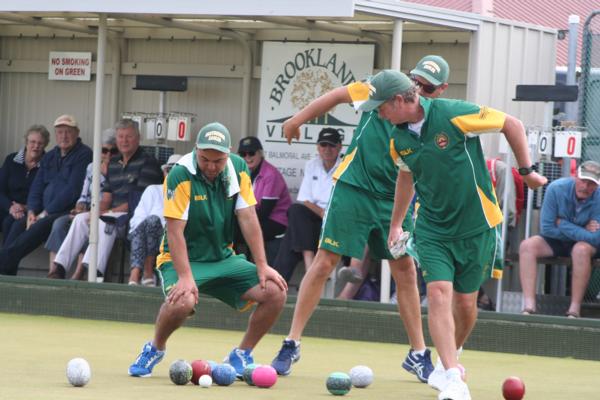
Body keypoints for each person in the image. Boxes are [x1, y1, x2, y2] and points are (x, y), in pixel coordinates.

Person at [360, 69, 547, 400]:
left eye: (381, 107)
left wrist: (527, 171)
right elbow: (406, 177)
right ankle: (451, 376)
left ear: (401, 100)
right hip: (432, 228)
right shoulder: (398, 138)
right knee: (438, 294)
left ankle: (453, 356)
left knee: (465, 302)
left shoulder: (454, 114)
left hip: (477, 225)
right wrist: (396, 223)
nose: (378, 113)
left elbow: (511, 124)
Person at [270, 67, 436, 383]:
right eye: (420, 79)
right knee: (324, 263)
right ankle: (291, 343)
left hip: (393, 199)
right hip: (353, 189)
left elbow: (416, 172)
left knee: (405, 270)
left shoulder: (433, 119)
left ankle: (418, 354)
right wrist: (296, 120)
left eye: (432, 84)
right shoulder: (378, 90)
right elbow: (335, 95)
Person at [128, 122, 287, 379]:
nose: (212, 167)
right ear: (196, 150)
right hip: (182, 260)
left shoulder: (238, 168)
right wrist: (185, 277)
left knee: (276, 291)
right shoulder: (179, 174)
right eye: (205, 159)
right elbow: (174, 230)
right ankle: (155, 348)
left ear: (229, 153)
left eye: (218, 160)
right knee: (183, 302)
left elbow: (247, 217)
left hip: (223, 258)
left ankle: (242, 354)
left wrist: (262, 265)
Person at [337, 55, 451, 301]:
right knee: (355, 247)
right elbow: (338, 95)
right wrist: (297, 120)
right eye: (415, 82)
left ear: (442, 89)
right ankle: (353, 274)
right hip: (371, 189)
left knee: (408, 265)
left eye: (427, 87)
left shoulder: (442, 117)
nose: (419, 90)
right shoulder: (386, 88)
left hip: (412, 199)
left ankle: (424, 336)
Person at [48, 119, 162, 280]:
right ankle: (59, 268)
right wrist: (95, 211)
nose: (124, 141)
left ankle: (94, 272)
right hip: (113, 213)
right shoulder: (114, 163)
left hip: (134, 217)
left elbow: (139, 202)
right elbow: (107, 196)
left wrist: (104, 213)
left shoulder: (148, 162)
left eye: (129, 136)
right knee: (80, 219)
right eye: (121, 137)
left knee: (104, 221)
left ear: (138, 138)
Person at [0, 115, 92, 276]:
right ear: (56, 135)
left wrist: (44, 213)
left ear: (76, 133)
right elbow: (37, 187)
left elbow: (73, 190)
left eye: (68, 132)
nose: (64, 136)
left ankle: (3, 264)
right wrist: (31, 212)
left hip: (65, 211)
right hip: (43, 211)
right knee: (17, 225)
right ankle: (7, 275)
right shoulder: (50, 156)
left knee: (39, 226)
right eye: (60, 132)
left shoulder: (84, 154)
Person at [519, 160, 600, 319]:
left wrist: (563, 223)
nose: (586, 186)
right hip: (556, 241)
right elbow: (547, 228)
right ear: (575, 177)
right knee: (527, 246)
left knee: (581, 249)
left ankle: (574, 310)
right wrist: (582, 229)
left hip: (585, 246)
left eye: (591, 183)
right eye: (583, 180)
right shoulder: (556, 188)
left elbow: (595, 238)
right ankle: (529, 306)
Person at [45, 129, 116, 280]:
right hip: (87, 210)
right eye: (104, 150)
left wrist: (107, 174)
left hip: (106, 212)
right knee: (60, 224)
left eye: (113, 151)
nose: (108, 155)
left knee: (91, 227)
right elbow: (84, 194)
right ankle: (55, 270)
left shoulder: (118, 169)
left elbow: (115, 198)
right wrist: (80, 206)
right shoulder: (91, 167)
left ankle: (79, 274)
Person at [273, 128, 342, 282]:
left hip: (336, 221)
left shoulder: (345, 166)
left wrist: (327, 214)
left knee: (291, 237)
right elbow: (304, 199)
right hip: (314, 219)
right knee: (295, 210)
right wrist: (321, 213)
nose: (327, 149)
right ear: (318, 147)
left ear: (339, 147)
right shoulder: (312, 164)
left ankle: (276, 284)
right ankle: (309, 262)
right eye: (323, 145)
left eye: (331, 145)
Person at [127, 154, 182, 286]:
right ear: (164, 172)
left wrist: (158, 223)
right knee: (147, 224)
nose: (171, 174)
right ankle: (145, 274)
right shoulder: (152, 190)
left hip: (173, 238)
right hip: (146, 235)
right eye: (169, 170)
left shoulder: (187, 195)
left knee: (152, 221)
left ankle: (139, 274)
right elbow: (137, 219)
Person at [237, 136, 292, 264]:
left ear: (260, 154)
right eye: (243, 154)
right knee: (231, 228)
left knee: (239, 231)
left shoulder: (270, 174)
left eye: (251, 153)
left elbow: (264, 212)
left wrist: (241, 218)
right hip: (253, 216)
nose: (247, 157)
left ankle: (247, 270)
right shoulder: (241, 172)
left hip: (276, 221)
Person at [0, 125, 50, 238]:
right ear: (26, 142)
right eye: (32, 142)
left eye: (40, 143)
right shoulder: (11, 160)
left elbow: (47, 195)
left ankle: (6, 255)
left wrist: (25, 207)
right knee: (8, 220)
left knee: (11, 223)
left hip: (32, 209)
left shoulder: (47, 164)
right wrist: (11, 207)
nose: (36, 146)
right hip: (7, 206)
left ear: (45, 145)